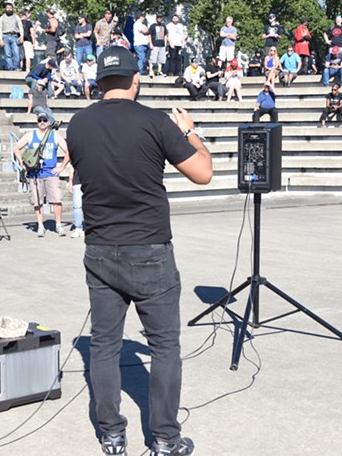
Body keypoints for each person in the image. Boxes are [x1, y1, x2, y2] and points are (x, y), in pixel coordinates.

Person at [66, 45, 212, 456]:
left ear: (98, 83)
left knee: (104, 344)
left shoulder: (77, 124)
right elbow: (203, 173)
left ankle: (111, 434)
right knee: (165, 346)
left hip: (100, 251)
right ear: (137, 79)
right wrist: (190, 131)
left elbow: (80, 174)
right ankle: (165, 438)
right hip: (149, 250)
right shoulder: (155, 122)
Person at [13, 112, 69, 237]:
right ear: (37, 122)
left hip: (51, 172)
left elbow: (69, 151)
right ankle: (40, 225)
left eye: (44, 120)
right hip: (35, 173)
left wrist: (61, 167)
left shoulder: (54, 135)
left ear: (49, 122)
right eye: (40, 120)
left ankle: (58, 225)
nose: (42, 122)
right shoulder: (30, 135)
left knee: (57, 200)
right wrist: (22, 162)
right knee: (37, 201)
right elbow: (16, 147)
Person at [0, 2, 23, 71]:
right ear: (5, 9)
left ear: (12, 9)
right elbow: (0, 28)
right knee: (8, 54)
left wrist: (22, 36)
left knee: (16, 53)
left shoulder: (16, 17)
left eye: (10, 8)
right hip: (5, 36)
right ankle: (10, 68)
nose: (9, 9)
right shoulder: (2, 18)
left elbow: (20, 27)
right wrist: (0, 39)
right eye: (7, 8)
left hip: (14, 36)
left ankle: (16, 67)